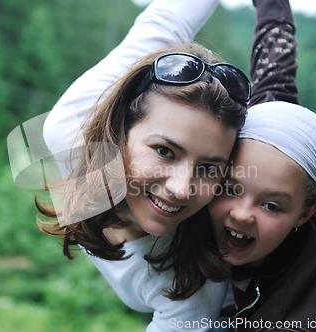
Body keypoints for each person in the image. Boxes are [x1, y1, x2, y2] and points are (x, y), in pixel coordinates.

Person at [37, 0, 251, 331]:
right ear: (120, 130)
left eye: (209, 168)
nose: (181, 189)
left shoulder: (190, 284)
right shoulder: (70, 128)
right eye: (165, 151)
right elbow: (165, 20)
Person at [203, 3, 316, 331]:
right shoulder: (275, 139)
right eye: (230, 188)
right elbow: (276, 64)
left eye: (271, 205)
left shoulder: (304, 303)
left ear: (304, 213)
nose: (242, 214)